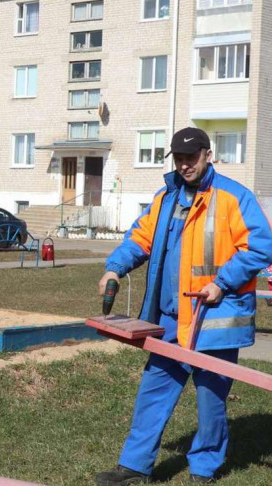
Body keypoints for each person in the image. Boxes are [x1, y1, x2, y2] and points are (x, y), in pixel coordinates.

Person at [94, 127, 272, 485]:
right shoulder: (166, 197)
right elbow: (140, 238)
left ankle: (203, 471)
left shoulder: (234, 198)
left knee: (211, 401)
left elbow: (260, 247)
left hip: (215, 319)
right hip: (171, 319)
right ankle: (134, 467)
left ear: (209, 155)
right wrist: (115, 267)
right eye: (178, 158)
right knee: (154, 391)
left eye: (191, 157)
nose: (185, 165)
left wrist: (221, 283)